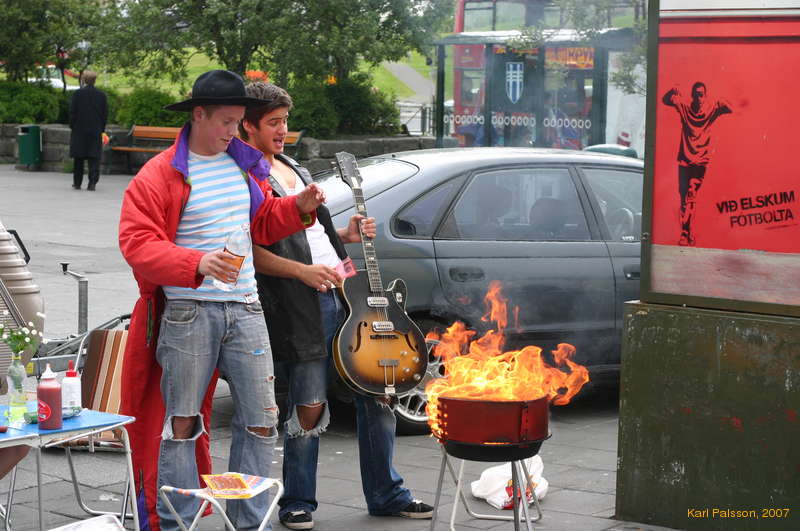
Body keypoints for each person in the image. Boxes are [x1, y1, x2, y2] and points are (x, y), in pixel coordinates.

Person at [118, 70, 324, 531]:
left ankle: (249, 522)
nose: (234, 130)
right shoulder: (159, 173)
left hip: (247, 306)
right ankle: (177, 522)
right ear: (199, 115)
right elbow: (137, 242)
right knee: (182, 422)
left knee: (261, 419)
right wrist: (197, 262)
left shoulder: (243, 164)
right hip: (189, 311)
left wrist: (298, 208)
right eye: (227, 121)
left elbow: (261, 224)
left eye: (238, 121)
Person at [239, 81, 434, 530]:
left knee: (378, 391)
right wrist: (302, 272)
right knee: (308, 403)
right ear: (247, 126)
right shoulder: (246, 177)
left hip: (347, 294)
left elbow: (312, 232)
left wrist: (345, 234)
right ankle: (297, 502)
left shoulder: (293, 166)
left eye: (286, 121)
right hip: (300, 303)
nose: (283, 131)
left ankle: (387, 494)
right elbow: (249, 249)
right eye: (273, 123)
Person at [662, 82, 733, 246]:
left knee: (691, 194)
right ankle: (687, 231)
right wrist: (671, 90)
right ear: (692, 96)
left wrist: (722, 102)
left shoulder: (711, 109)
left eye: (701, 95)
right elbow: (665, 100)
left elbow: (731, 108)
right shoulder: (685, 108)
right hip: (684, 161)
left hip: (700, 161)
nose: (698, 98)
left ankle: (685, 233)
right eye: (696, 95)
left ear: (705, 96)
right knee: (684, 199)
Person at [68, 71, 107, 191]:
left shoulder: (77, 94)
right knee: (94, 157)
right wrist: (101, 128)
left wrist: (72, 126)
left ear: (84, 80)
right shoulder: (101, 95)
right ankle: (92, 183)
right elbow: (104, 114)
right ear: (94, 81)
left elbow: (72, 112)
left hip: (79, 129)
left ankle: (77, 182)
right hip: (95, 129)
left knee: (78, 158)